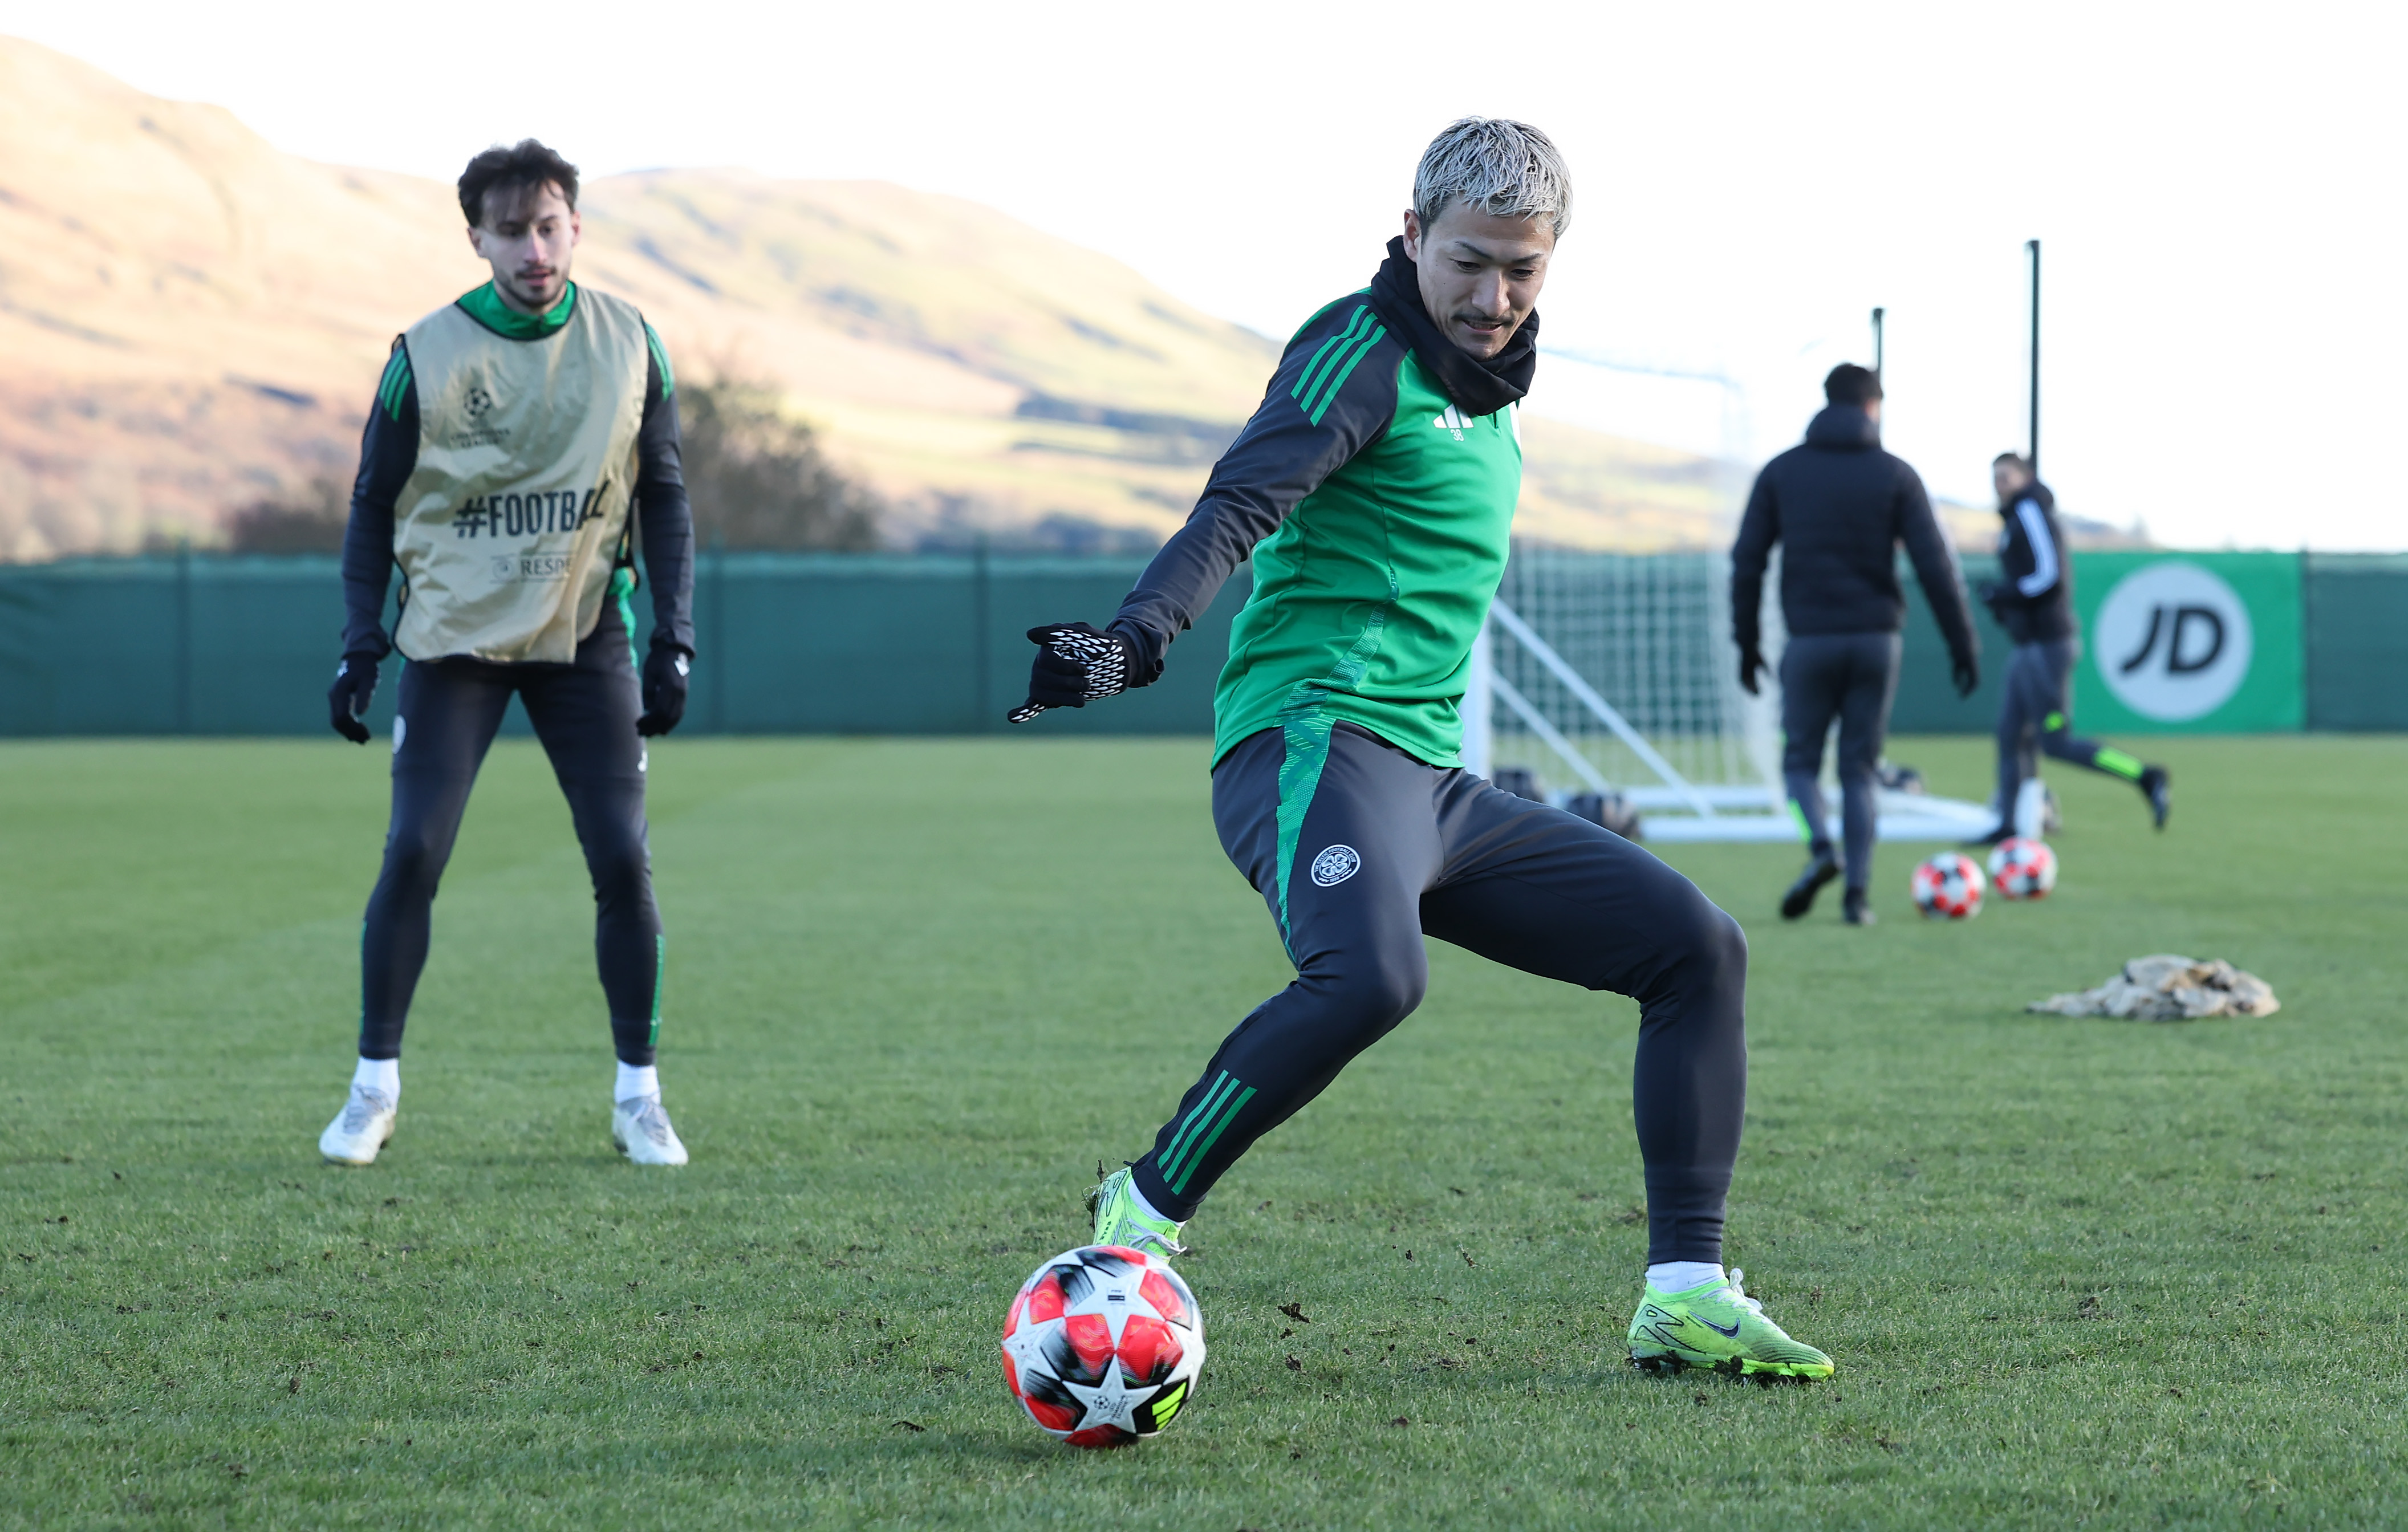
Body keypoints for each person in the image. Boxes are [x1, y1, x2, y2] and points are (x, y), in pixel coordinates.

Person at [1010, 119, 1832, 1379]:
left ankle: (1680, 1287)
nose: (1491, 297)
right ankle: (1145, 1202)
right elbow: (1237, 505)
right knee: (1369, 977)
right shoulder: (1358, 352)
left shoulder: (1494, 396)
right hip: (1311, 742)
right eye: (1465, 263)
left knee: (1695, 948)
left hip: (1434, 786)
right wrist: (1134, 639)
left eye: (1521, 269)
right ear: (1408, 235)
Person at [317, 140, 697, 1168]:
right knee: (414, 850)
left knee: (623, 855)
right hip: (454, 642)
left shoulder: (631, 344)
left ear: (574, 225)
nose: (533, 249)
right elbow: (369, 506)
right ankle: (372, 1090)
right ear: (475, 237)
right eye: (511, 231)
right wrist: (361, 644)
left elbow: (663, 494)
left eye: (549, 225)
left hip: (584, 635)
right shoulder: (426, 355)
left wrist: (675, 638)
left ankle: (639, 1097)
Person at [1731, 365, 1980, 926]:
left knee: (1798, 763)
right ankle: (1857, 898)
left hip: (1809, 641)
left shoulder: (1781, 472)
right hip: (1875, 642)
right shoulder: (1895, 474)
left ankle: (1819, 846)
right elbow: (1934, 567)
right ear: (1873, 407)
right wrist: (1962, 643)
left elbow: (1746, 562)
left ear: (1825, 401)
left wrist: (1746, 643)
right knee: (1859, 769)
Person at [1975, 453, 2169, 840]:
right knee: (2011, 734)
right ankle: (2011, 826)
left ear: (2025, 477)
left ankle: (2143, 775)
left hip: (2046, 645)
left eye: (2006, 476)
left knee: (2055, 741)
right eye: (1995, 477)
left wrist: (2004, 595)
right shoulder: (2015, 517)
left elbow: (2049, 575)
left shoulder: (2029, 509)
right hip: (2026, 646)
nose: (2000, 484)